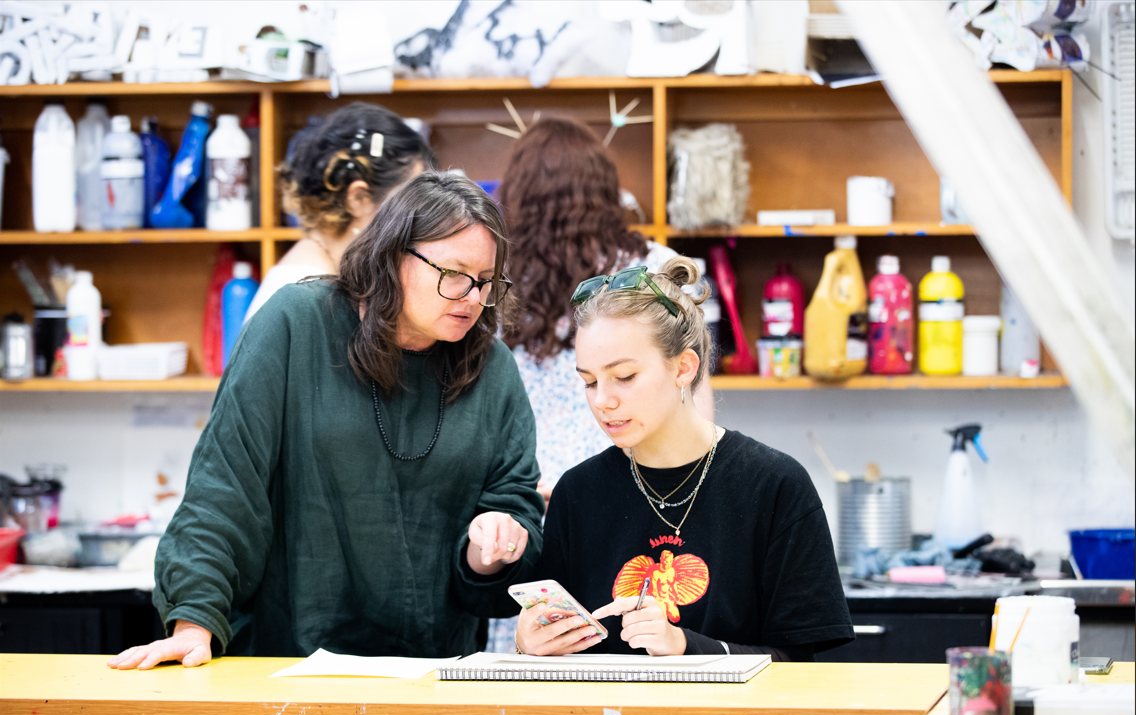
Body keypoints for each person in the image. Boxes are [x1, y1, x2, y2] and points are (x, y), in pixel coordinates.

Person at [109, 172, 543, 670]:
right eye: (455, 274)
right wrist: (195, 618)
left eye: (487, 282)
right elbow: (225, 486)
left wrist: (491, 550)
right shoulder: (295, 324)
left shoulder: (491, 366)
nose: (471, 297)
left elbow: (514, 504)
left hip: (431, 671)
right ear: (394, 255)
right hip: (285, 663)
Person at [514, 256, 853, 660]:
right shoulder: (577, 493)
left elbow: (801, 668)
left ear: (684, 368)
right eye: (589, 381)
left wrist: (685, 645)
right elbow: (555, 658)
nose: (602, 400)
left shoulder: (775, 485)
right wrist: (528, 646)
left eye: (624, 376)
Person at [485, 118, 713, 653]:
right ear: (606, 191)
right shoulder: (656, 268)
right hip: (637, 498)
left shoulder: (495, 277)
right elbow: (696, 406)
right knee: (644, 651)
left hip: (529, 501)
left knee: (542, 654)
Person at [243, 102, 434, 322]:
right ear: (358, 198)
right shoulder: (307, 292)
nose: (418, 213)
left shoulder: (331, 274)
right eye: (409, 197)